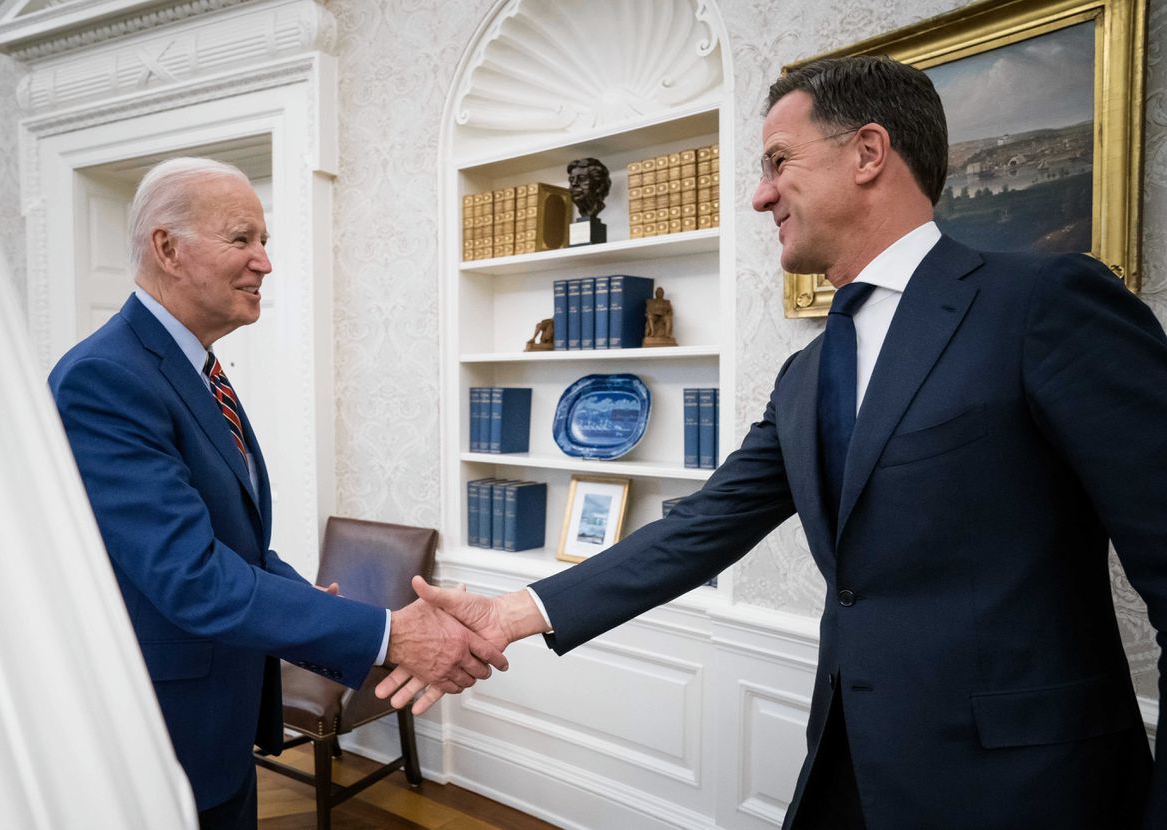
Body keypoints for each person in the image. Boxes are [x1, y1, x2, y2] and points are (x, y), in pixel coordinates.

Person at [378, 56, 1167, 829]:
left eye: (778, 161)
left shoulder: (1043, 303)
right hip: (848, 772)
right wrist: (516, 611)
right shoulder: (808, 372)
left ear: (868, 153)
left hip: (1027, 786)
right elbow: (703, 524)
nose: (759, 196)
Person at [49, 157, 505, 830]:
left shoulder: (198, 366)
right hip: (162, 734)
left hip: (220, 729)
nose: (265, 263)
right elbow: (194, 578)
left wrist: (311, 608)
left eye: (265, 242)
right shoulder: (104, 379)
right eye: (242, 239)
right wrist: (388, 635)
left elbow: (240, 549)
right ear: (167, 249)